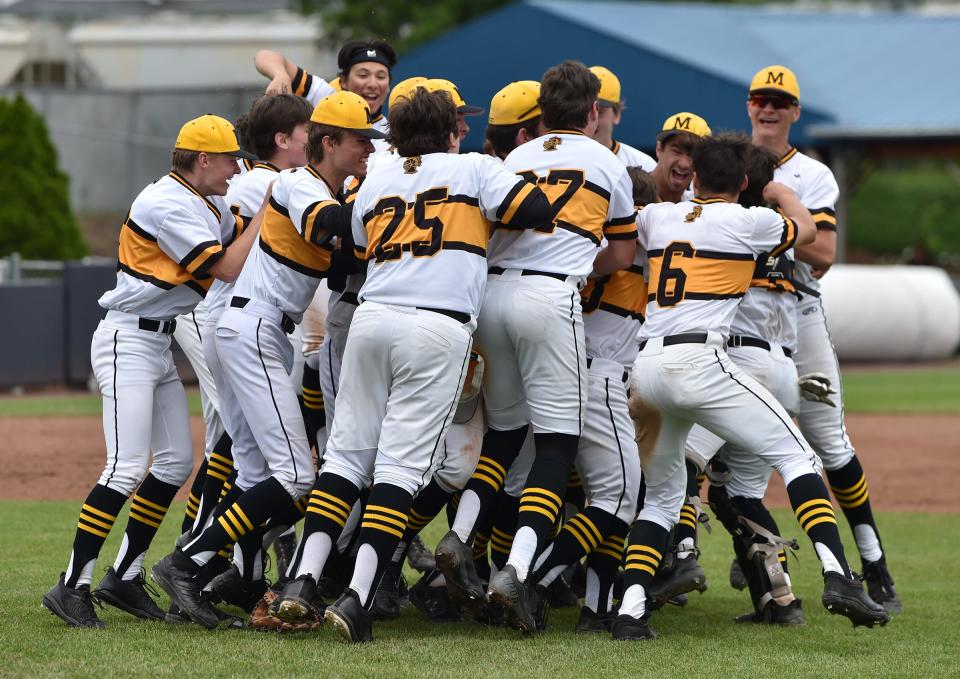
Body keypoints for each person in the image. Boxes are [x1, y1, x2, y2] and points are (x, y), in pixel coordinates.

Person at [271, 86, 550, 643]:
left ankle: (302, 581)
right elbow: (537, 211)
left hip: (374, 316)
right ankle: (357, 596)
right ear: (451, 131)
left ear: (393, 135)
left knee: (346, 457)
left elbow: (351, 241)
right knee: (399, 469)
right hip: (437, 326)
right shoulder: (473, 167)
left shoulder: (378, 177)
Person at [614, 132, 889, 641]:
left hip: (649, 365)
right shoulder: (750, 220)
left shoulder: (659, 216)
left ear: (694, 176)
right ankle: (838, 575)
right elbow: (808, 233)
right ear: (742, 182)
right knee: (798, 457)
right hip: (703, 358)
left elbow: (631, 224)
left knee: (662, 499)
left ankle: (630, 610)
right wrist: (782, 193)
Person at [151, 91, 384, 630]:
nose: (367, 151)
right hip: (254, 327)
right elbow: (335, 227)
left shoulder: (319, 182)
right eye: (359, 141)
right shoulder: (302, 182)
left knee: (256, 472)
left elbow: (340, 258)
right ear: (329, 142)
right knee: (297, 475)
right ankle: (183, 563)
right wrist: (394, 209)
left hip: (249, 327)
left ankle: (233, 577)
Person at [434, 60, 637, 634]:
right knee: (555, 446)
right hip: (550, 298)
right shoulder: (608, 160)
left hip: (490, 296)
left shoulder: (515, 158)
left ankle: (461, 534)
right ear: (594, 113)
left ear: (539, 116)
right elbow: (621, 255)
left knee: (502, 434)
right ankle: (516, 571)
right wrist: (570, 261)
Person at [42, 115, 260, 628]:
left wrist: (259, 209)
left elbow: (239, 233)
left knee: (173, 465)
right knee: (123, 467)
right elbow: (226, 266)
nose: (236, 167)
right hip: (126, 338)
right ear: (203, 158)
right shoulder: (165, 201)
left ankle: (124, 575)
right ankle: (72, 583)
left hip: (158, 341)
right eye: (229, 158)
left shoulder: (201, 199)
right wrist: (267, 212)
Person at [746, 64, 900, 613]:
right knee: (727, 457)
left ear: (795, 112)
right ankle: (769, 583)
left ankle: (873, 559)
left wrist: (775, 221)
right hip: (740, 313)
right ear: (748, 105)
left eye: (779, 101)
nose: (769, 107)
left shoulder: (811, 174)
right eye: (760, 98)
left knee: (828, 445)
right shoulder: (729, 160)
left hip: (800, 312)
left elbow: (825, 255)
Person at [189, 93, 315, 612]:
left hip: (232, 320)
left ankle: (235, 576)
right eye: (305, 129)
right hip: (242, 318)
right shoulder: (270, 182)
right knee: (280, 469)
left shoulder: (250, 180)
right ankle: (193, 556)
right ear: (283, 139)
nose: (312, 136)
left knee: (248, 464)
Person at [254, 40, 395, 150]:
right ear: (343, 81)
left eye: (381, 76)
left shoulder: (392, 134)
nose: (373, 84)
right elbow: (263, 56)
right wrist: (280, 75)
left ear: (389, 85)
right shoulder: (328, 100)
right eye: (363, 75)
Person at [589, 66, 656, 171]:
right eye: (585, 111)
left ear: (616, 115)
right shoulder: (559, 155)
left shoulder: (644, 166)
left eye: (599, 112)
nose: (592, 119)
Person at [649, 112, 711, 202]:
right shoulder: (630, 193)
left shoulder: (698, 205)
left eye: (693, 155)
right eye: (677, 152)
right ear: (659, 149)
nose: (684, 164)